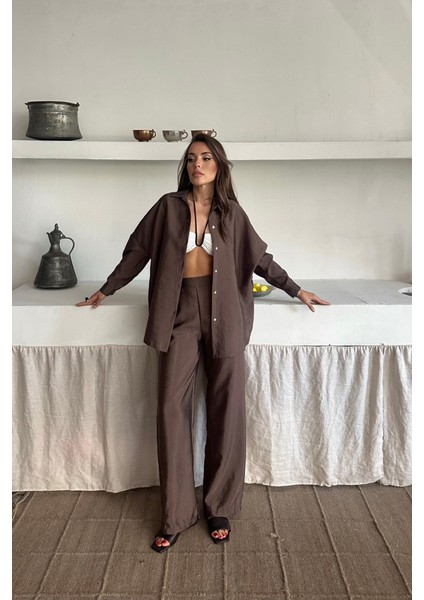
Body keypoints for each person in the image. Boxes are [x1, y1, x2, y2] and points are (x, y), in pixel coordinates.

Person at [76, 133, 330, 552]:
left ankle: (219, 506)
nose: (198, 164)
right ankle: (176, 513)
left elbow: (260, 260)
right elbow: (137, 253)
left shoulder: (232, 213)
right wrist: (107, 289)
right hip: (178, 313)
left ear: (219, 166)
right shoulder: (167, 207)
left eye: (206, 157)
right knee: (169, 408)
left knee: (226, 409)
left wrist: (296, 289)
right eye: (192, 158)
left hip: (225, 314)